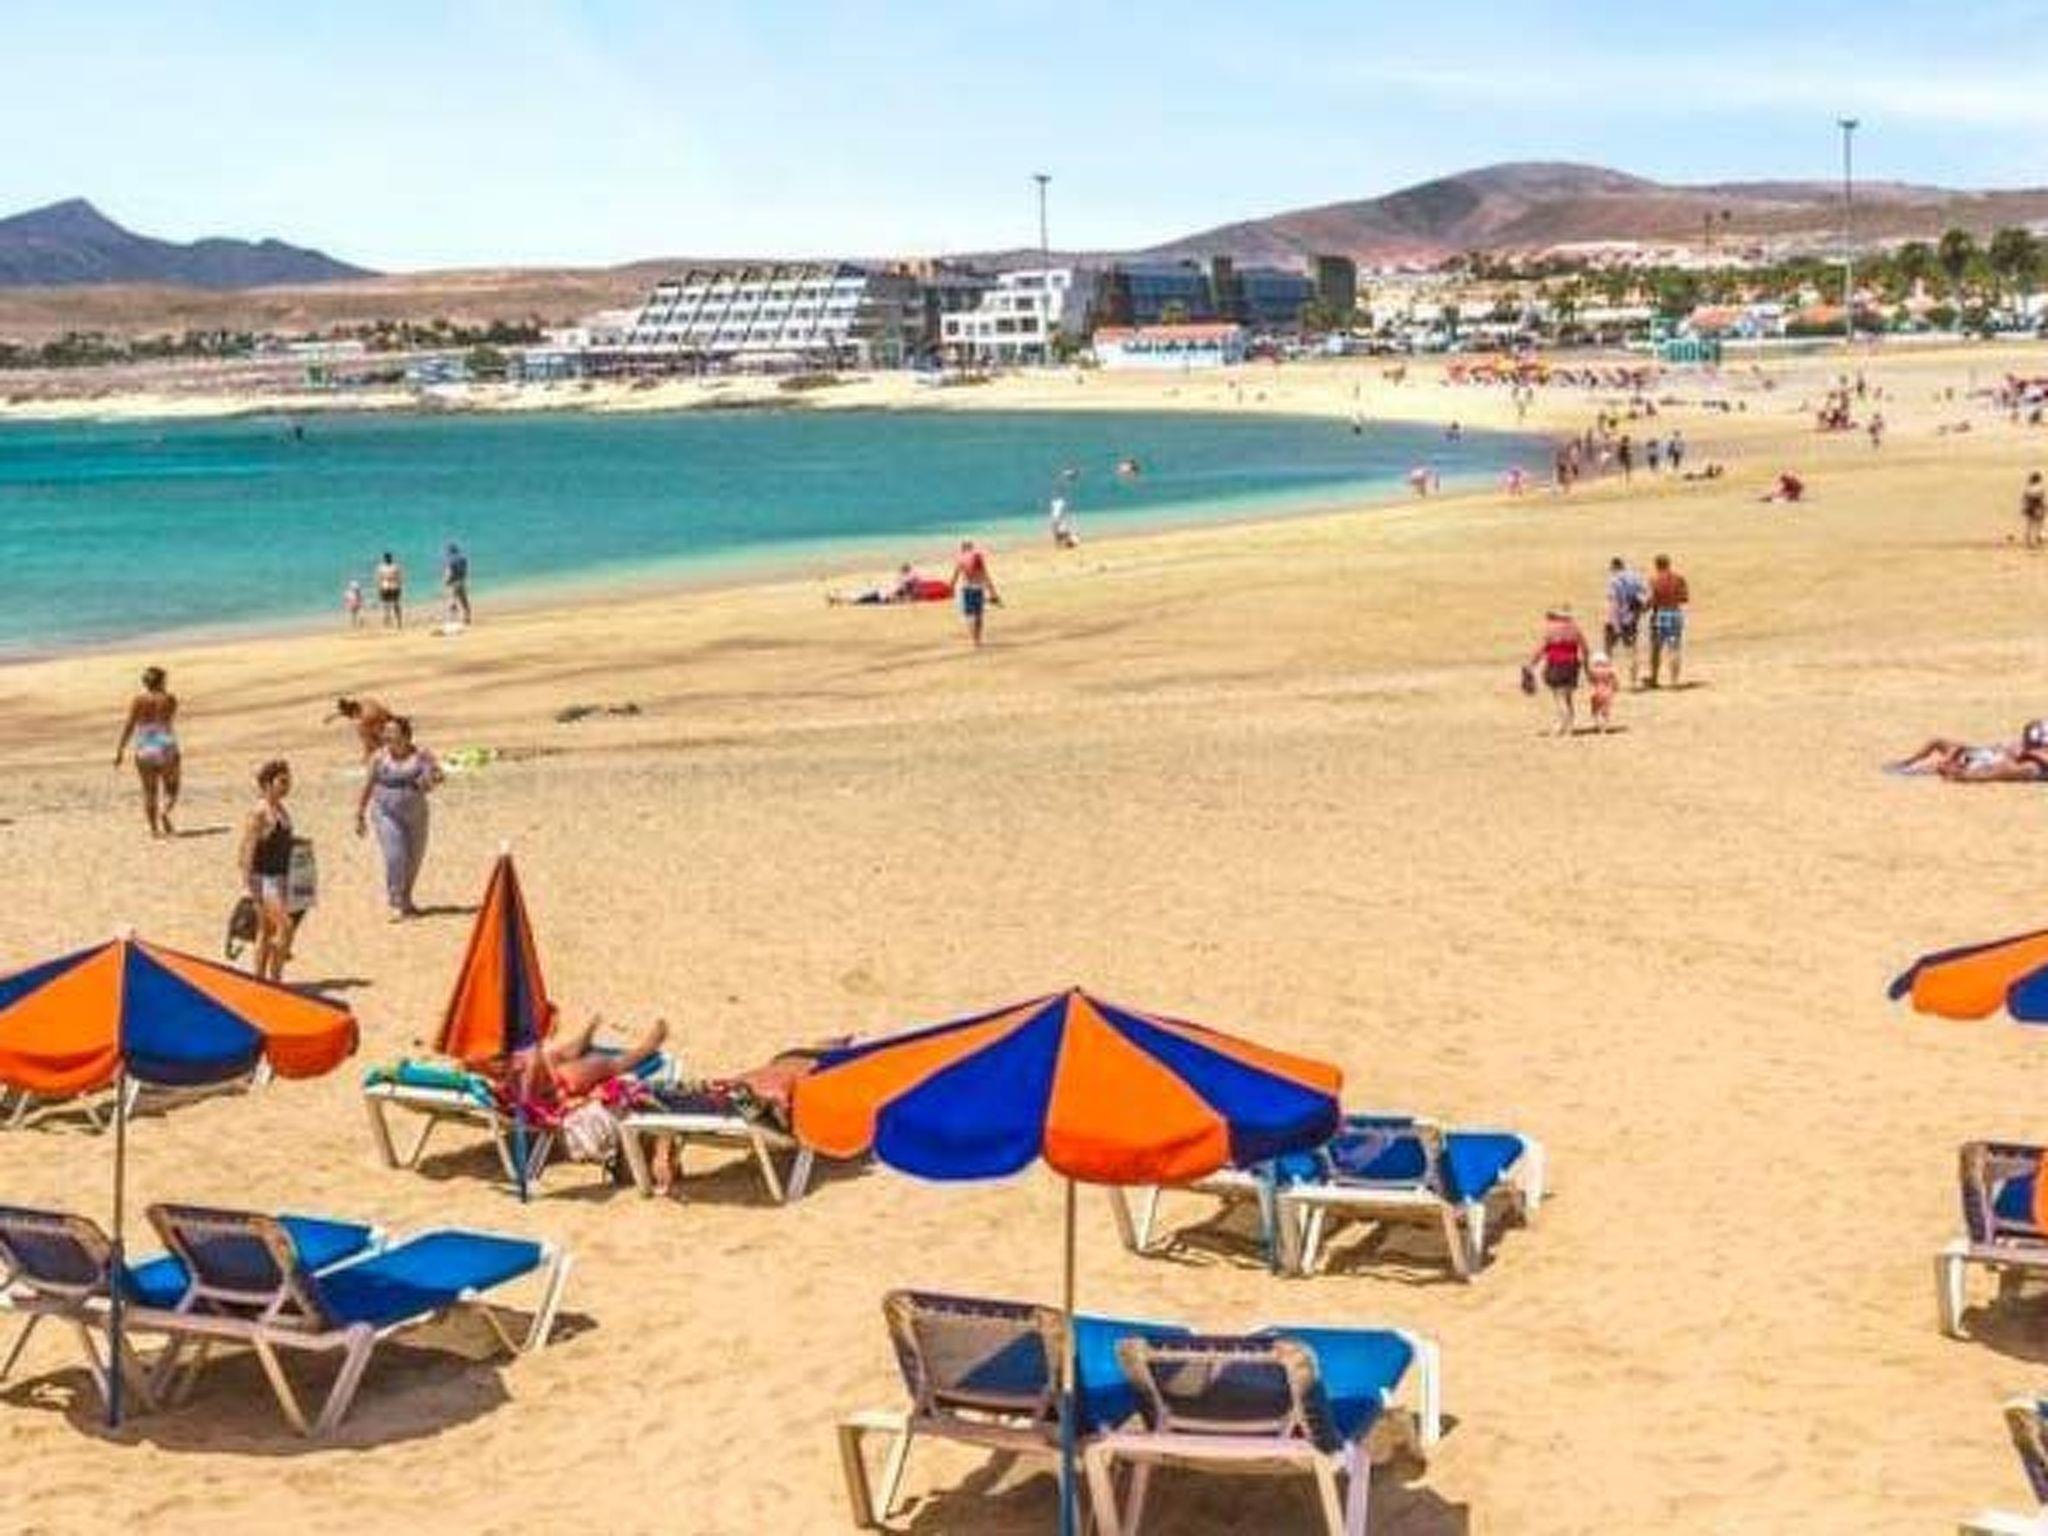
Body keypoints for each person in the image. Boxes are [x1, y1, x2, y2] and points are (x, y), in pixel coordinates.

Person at [355, 715, 441, 920]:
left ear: (405, 735)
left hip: (416, 814)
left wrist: (429, 779)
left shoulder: (422, 755)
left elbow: (437, 777)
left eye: (392, 731)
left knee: (413, 859)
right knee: (395, 855)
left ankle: (406, 899)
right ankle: (396, 901)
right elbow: (368, 785)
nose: (387, 735)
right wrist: (359, 813)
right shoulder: (379, 758)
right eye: (385, 731)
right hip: (386, 813)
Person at [237, 759, 296, 981]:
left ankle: (260, 978)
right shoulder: (260, 812)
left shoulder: (280, 809)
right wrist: (249, 884)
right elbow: (247, 849)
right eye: (282, 781)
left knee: (266, 930)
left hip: (280, 877)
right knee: (285, 926)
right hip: (264, 880)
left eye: (288, 781)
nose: (287, 785)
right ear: (267, 784)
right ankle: (275, 977)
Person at [114, 666, 180, 837]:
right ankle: (165, 812)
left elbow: (129, 725)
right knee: (172, 787)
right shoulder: (170, 699)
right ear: (161, 681)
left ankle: (154, 830)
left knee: (149, 791)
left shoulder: (138, 700)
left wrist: (120, 749)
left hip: (144, 745)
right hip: (165, 744)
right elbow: (169, 718)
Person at [1526, 607, 1589, 736]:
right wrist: (1585, 666)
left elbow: (1540, 650)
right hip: (1572, 666)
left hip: (1556, 665)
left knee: (1559, 697)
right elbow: (1585, 649)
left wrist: (1531, 664)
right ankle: (1570, 727)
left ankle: (1562, 725)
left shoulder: (1551, 631)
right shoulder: (1575, 629)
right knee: (1567, 697)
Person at [1645, 554, 1690, 689]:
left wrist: (1644, 608)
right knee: (1674, 648)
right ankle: (1674, 681)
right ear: (1668, 564)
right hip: (1675, 613)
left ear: (1656, 565)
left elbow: (1651, 600)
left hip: (1659, 614)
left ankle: (1654, 678)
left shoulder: (1654, 580)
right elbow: (1684, 598)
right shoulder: (1679, 578)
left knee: (1656, 649)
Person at [1604, 556, 1649, 687]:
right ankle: (1633, 682)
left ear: (1613, 567)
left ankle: (1608, 680)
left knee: (1608, 651)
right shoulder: (1634, 577)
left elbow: (1614, 603)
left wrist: (1616, 624)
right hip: (1631, 618)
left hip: (1614, 619)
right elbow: (1647, 592)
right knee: (1631, 651)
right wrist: (1642, 607)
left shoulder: (1613, 580)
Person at [952, 540, 1000, 647]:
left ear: (962, 548)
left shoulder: (961, 559)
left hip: (966, 589)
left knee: (969, 616)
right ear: (971, 547)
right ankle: (978, 639)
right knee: (979, 615)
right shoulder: (977, 558)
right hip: (978, 588)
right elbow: (985, 575)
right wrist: (993, 592)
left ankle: (974, 639)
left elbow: (955, 575)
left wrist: (950, 588)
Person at [327, 695, 394, 759]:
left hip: (385, 726)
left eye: (349, 715)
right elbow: (343, 712)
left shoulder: (366, 718)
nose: (350, 718)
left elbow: (370, 740)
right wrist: (331, 718)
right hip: (386, 722)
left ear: (354, 711)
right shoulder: (364, 703)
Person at [1587, 651, 1620, 733]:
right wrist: (1616, 687)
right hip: (1607, 692)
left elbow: (1591, 681)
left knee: (1596, 710)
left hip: (1596, 692)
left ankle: (1598, 725)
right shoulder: (1609, 670)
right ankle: (1604, 727)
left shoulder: (1593, 670)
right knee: (1605, 710)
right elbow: (1616, 679)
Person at [443, 542, 471, 625]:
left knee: (452, 601)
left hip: (454, 582)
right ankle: (467, 618)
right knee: (464, 601)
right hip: (462, 581)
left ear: (450, 551)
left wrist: (446, 581)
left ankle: (452, 619)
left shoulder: (450, 560)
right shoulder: (463, 559)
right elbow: (465, 571)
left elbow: (449, 571)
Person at [375, 552, 404, 628]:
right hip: (386, 587)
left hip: (393, 587)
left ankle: (397, 621)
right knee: (387, 605)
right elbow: (379, 579)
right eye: (386, 558)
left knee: (394, 604)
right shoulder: (382, 567)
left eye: (388, 558)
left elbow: (399, 578)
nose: (387, 559)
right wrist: (379, 588)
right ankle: (389, 620)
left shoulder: (394, 567)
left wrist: (399, 586)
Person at [2022, 472, 2045, 551]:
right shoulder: (2040, 488)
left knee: (2029, 524)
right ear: (2038, 480)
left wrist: (2024, 507)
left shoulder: (2027, 488)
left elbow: (2024, 498)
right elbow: (2041, 498)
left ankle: (2028, 541)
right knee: (2039, 523)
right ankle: (2038, 538)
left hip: (2029, 507)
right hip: (2037, 507)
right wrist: (2044, 507)